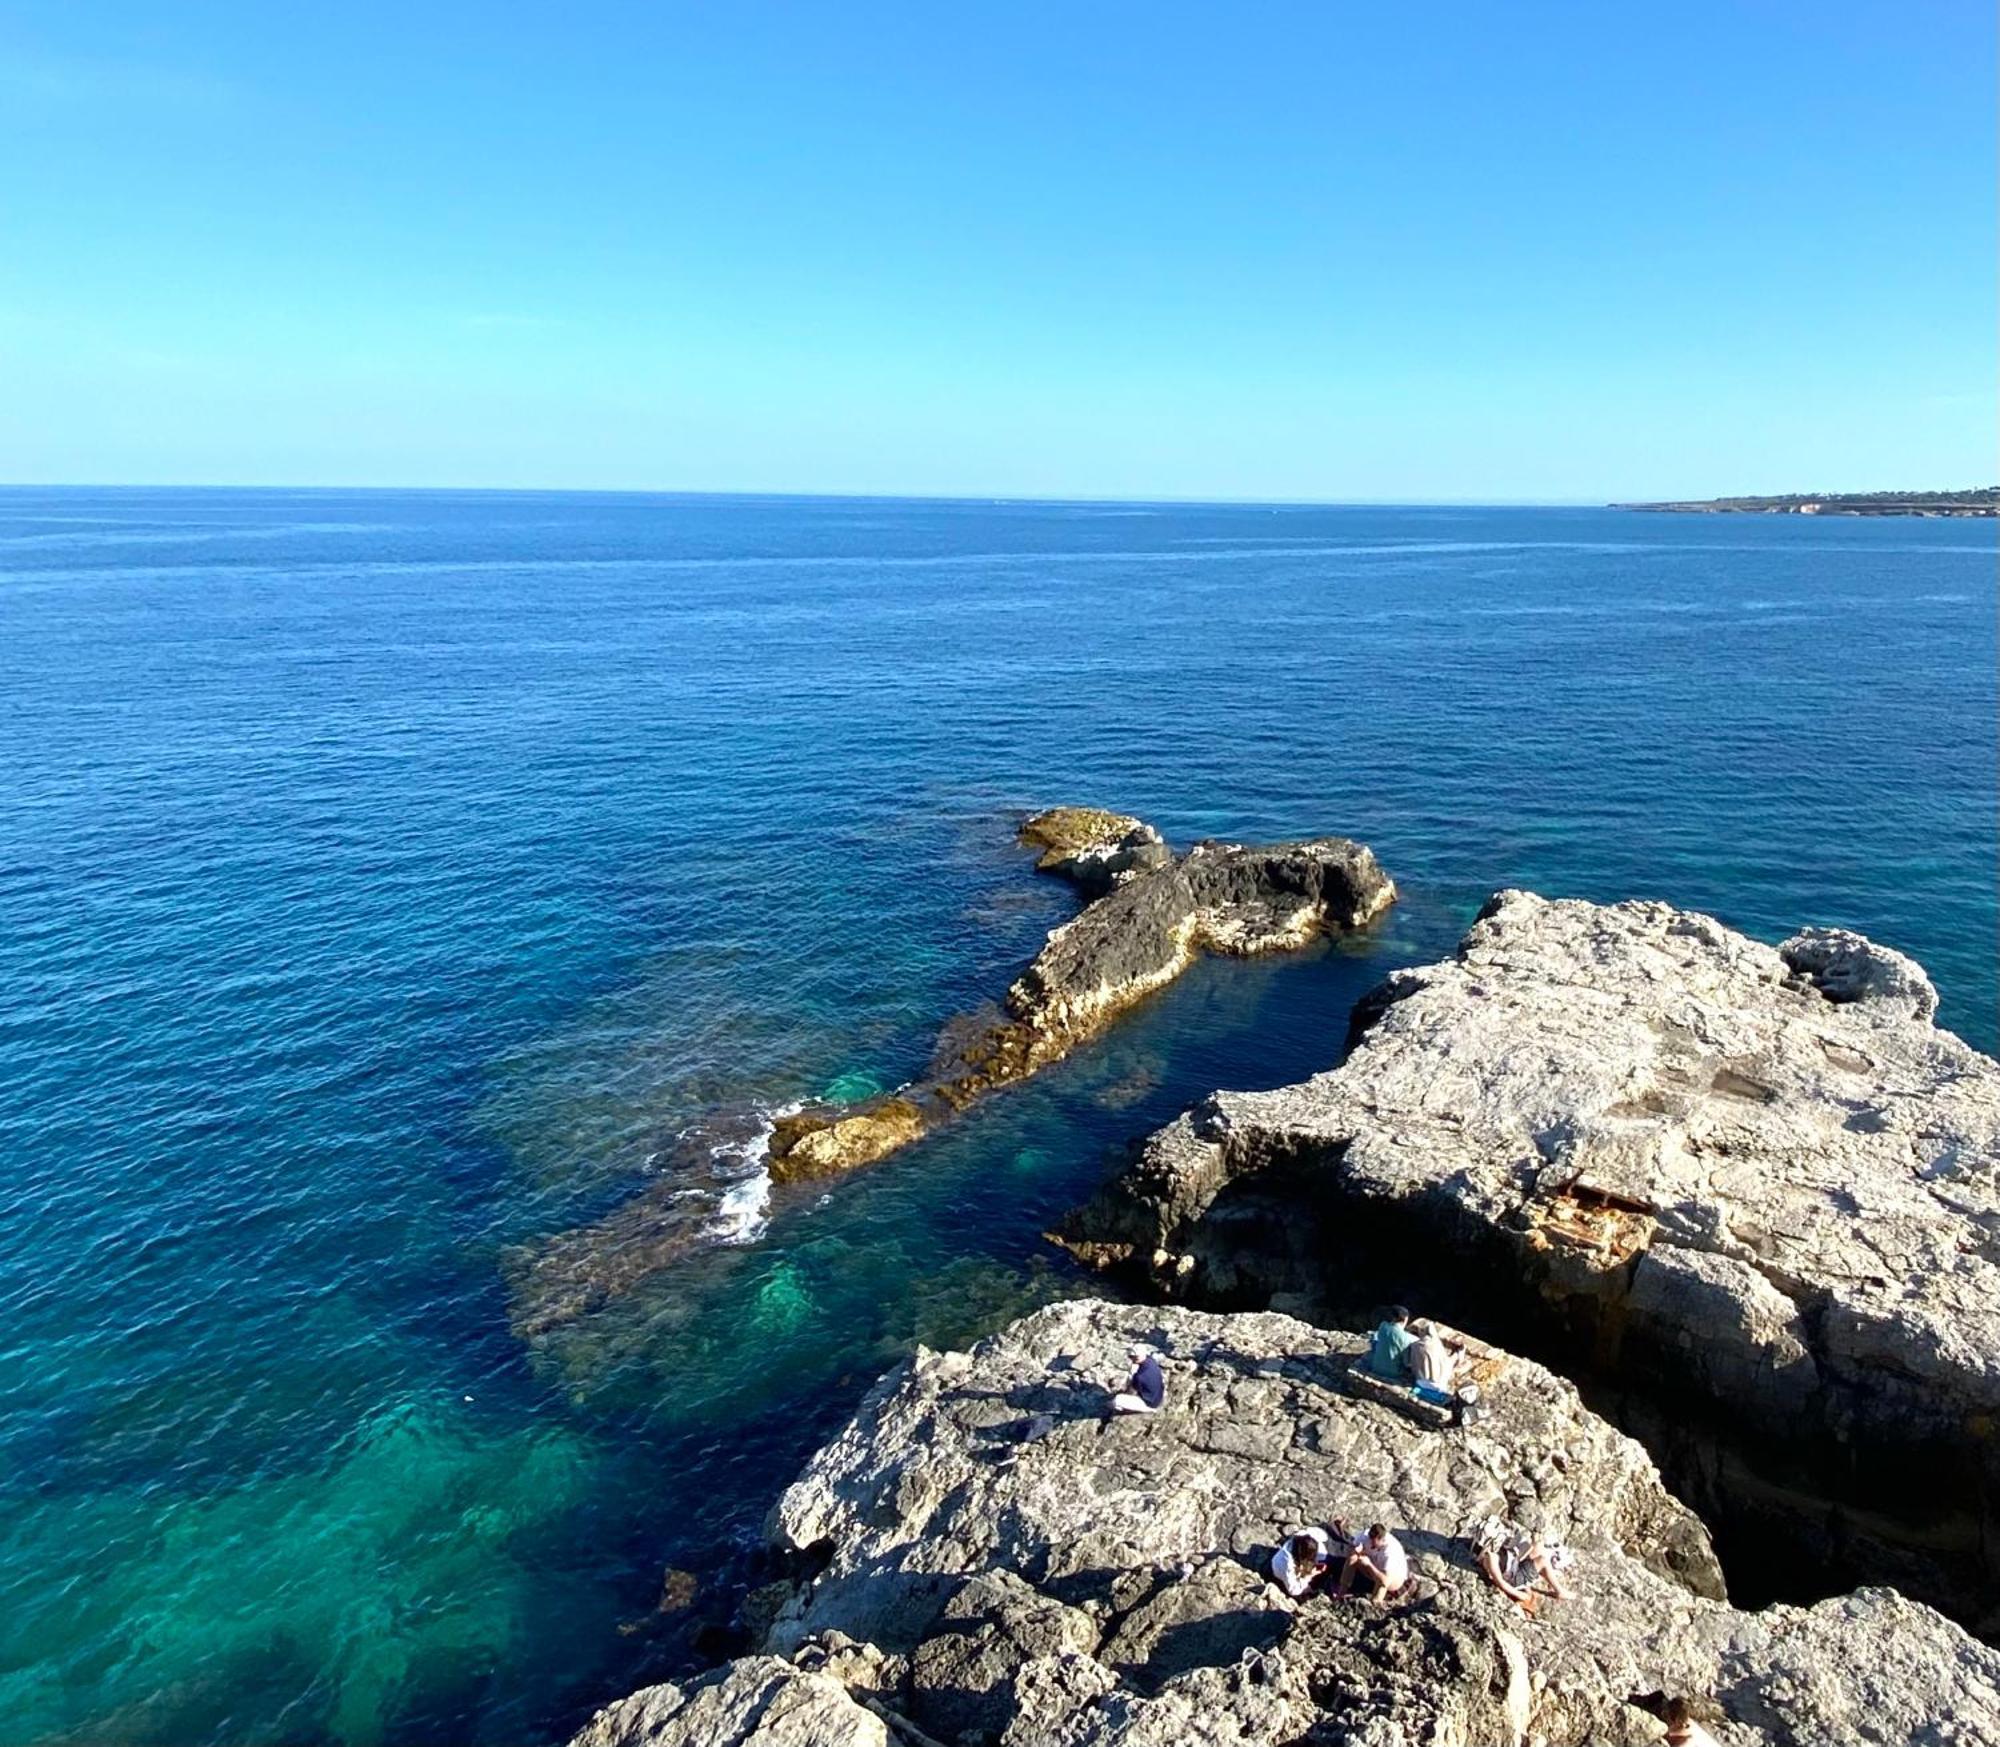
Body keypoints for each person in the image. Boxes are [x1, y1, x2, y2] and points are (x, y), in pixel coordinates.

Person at [1471, 1514, 1575, 1613]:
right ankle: (1559, 1591)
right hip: (1514, 1578)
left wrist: (1525, 1546)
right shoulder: (1491, 1558)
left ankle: (1545, 1573)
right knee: (1543, 1560)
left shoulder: (1492, 1550)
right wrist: (1521, 1595)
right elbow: (1501, 1583)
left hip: (1513, 1564)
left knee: (1538, 1546)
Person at [1336, 1522, 1409, 1601]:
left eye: (1374, 1545)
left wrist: (1369, 1565)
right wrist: (1355, 1551)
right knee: (1353, 1558)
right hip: (1372, 1568)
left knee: (1381, 1584)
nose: (1370, 1545)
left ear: (1382, 1540)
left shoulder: (1390, 1552)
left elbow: (1385, 1581)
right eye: (1370, 1540)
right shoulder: (1364, 1536)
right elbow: (1350, 1548)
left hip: (1391, 1578)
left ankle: (1375, 1602)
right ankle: (1341, 1592)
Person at [1270, 1527, 1331, 1599]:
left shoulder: (1308, 1538)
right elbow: (1293, 1590)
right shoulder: (1287, 1562)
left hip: (1299, 1565)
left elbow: (1322, 1555)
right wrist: (1309, 1575)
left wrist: (1318, 1564)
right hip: (1280, 1576)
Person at [1110, 1344, 1165, 1415]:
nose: (1130, 1359)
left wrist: (1132, 1376)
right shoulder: (1151, 1360)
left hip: (1150, 1403)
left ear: (1136, 1357)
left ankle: (1148, 1410)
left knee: (1116, 1401)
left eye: (1131, 1357)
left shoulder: (1139, 1376)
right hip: (1158, 1396)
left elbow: (1133, 1389)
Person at [1366, 1307, 1415, 1380]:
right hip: (1394, 1373)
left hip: (1375, 1368)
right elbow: (1406, 1363)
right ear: (1405, 1319)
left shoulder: (1383, 1326)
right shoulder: (1409, 1338)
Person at [1406, 1319, 1456, 1389]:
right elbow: (1447, 1364)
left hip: (1421, 1383)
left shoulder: (1415, 1345)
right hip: (1439, 1385)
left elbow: (1412, 1364)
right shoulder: (1437, 1344)